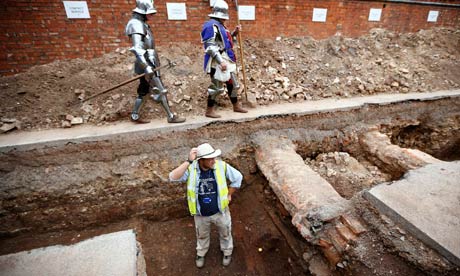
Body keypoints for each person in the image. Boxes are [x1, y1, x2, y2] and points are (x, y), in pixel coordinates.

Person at [169, 143, 243, 268]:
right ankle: (201, 253)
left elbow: (238, 178)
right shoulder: (191, 169)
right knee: (202, 235)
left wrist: (229, 194)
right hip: (200, 213)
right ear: (201, 160)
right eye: (210, 158)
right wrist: (188, 161)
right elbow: (172, 177)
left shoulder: (221, 166)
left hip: (220, 211)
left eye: (214, 157)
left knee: (225, 233)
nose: (214, 160)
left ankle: (227, 251)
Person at [125, 0, 185, 124]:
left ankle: (135, 115)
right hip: (145, 63)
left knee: (144, 90)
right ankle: (170, 116)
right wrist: (146, 66)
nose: (152, 16)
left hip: (151, 61)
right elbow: (137, 48)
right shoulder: (135, 24)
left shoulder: (143, 24)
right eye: (149, 13)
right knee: (161, 89)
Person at [201, 0, 248, 118]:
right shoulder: (210, 26)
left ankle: (236, 105)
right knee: (216, 87)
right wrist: (220, 62)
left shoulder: (221, 26)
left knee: (233, 84)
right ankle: (209, 110)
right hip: (217, 61)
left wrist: (234, 33)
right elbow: (210, 47)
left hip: (226, 59)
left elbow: (225, 42)